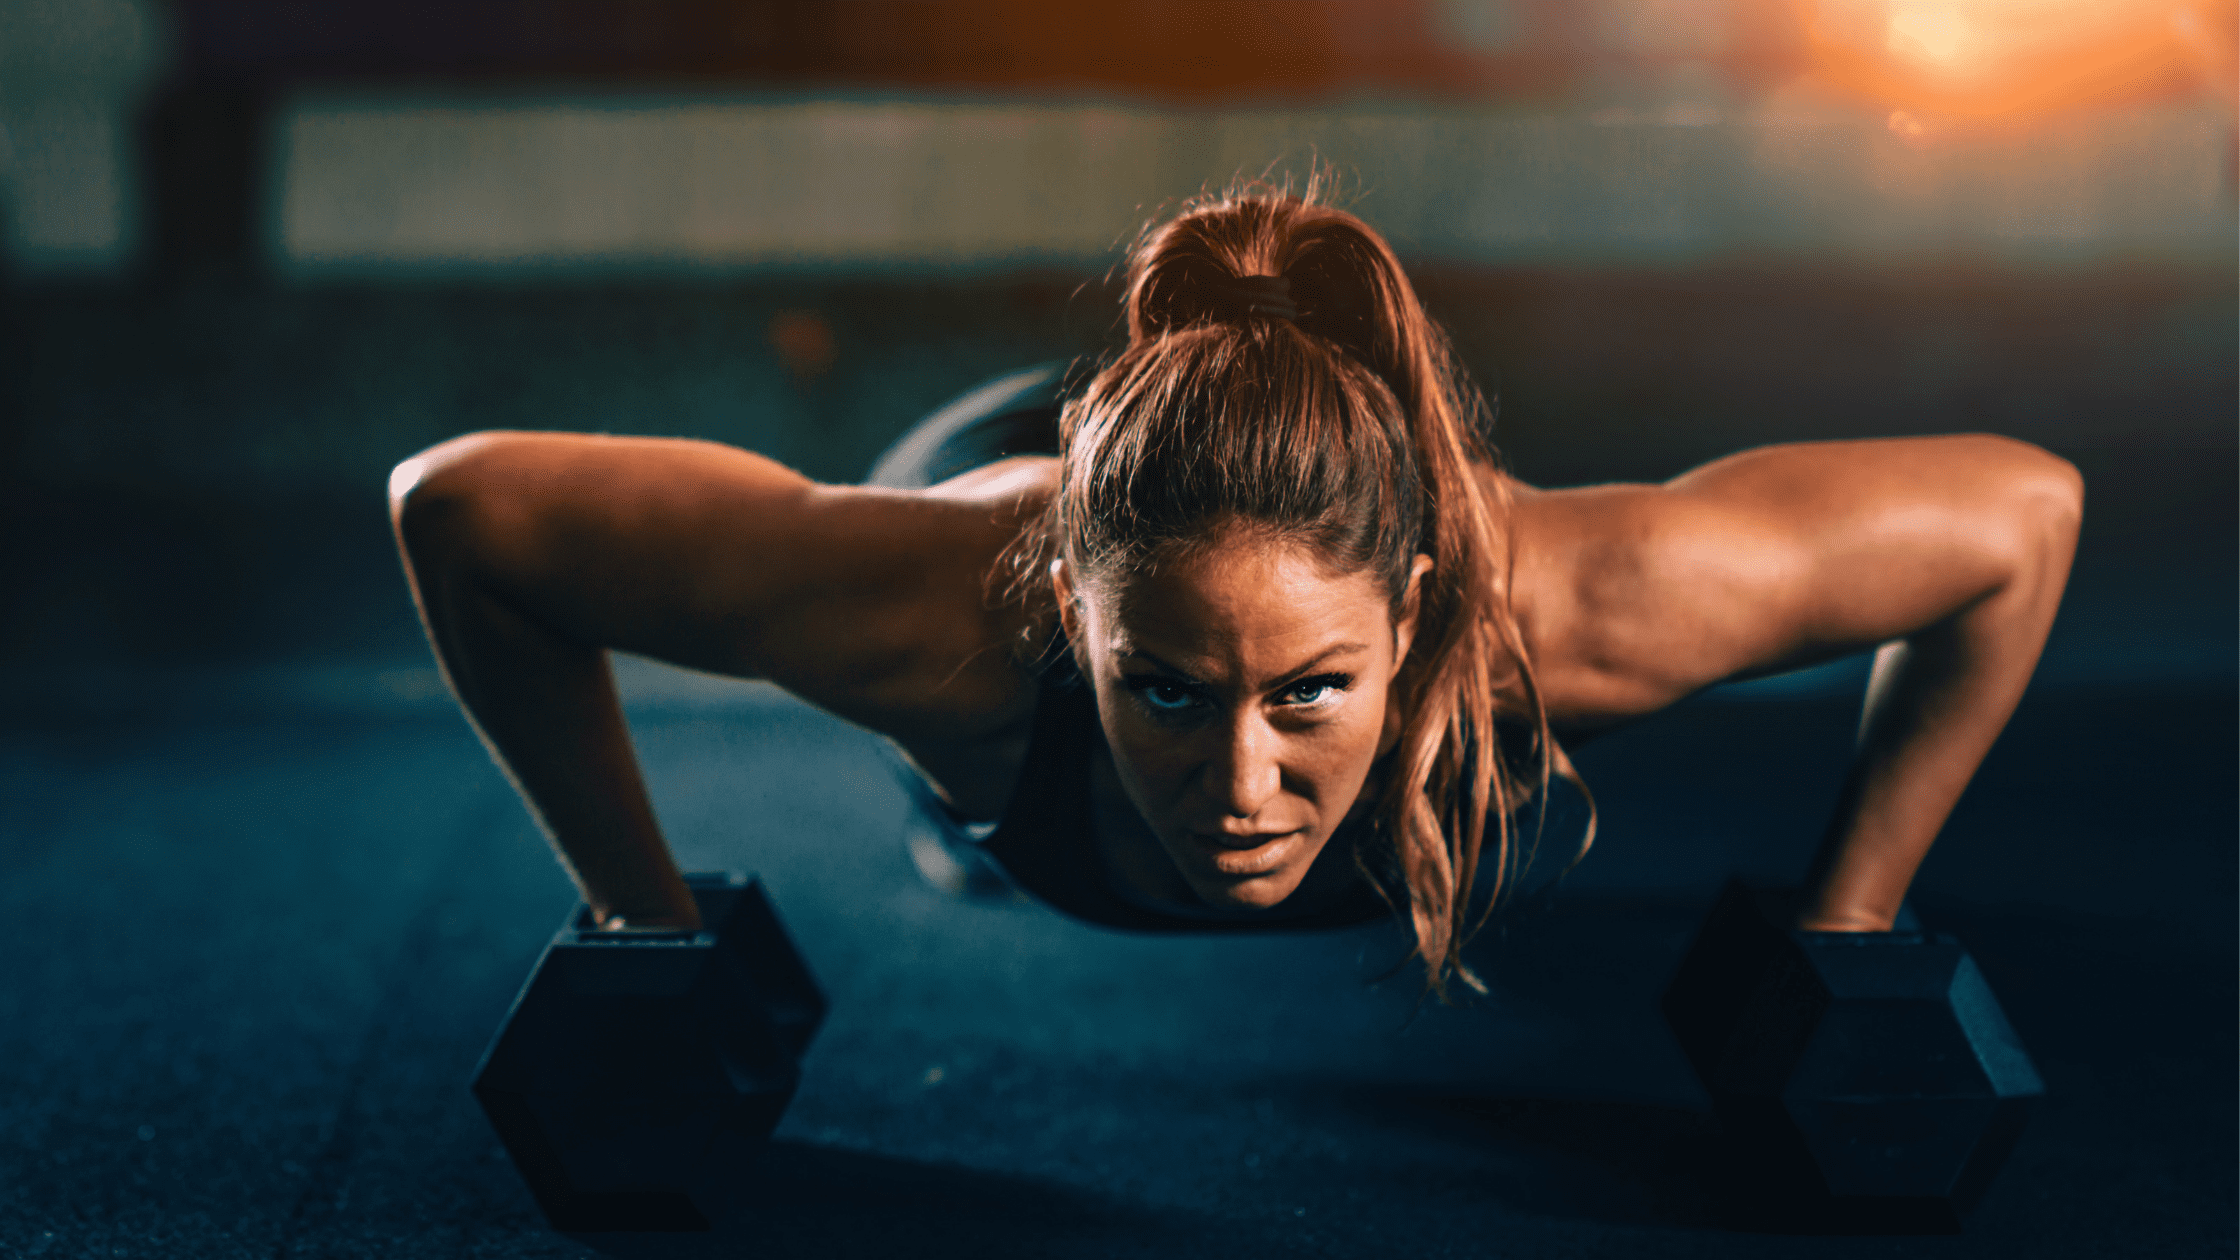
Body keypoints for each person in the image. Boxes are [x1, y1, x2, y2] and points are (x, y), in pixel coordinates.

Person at [387, 181, 2081, 996]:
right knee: (955, 784)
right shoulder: (939, 615)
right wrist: (641, 920)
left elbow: (2021, 514)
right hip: (1004, 474)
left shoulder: (1558, 611)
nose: (1246, 790)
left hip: (1282, 491)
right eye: (1174, 697)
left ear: (1412, 620)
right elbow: (459, 508)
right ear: (1075, 626)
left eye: (1311, 697)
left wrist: (1848, 925)